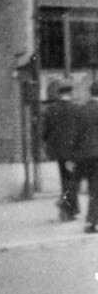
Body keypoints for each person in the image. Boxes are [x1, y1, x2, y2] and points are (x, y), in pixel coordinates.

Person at [41, 80, 80, 223]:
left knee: (65, 179)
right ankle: (68, 209)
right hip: (74, 151)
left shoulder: (51, 109)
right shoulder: (76, 109)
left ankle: (68, 208)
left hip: (58, 152)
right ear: (70, 93)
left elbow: (44, 132)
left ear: (59, 94)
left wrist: (48, 144)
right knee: (71, 180)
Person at [78, 81, 98, 233]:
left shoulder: (83, 109)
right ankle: (91, 222)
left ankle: (90, 221)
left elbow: (77, 134)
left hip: (86, 155)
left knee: (93, 189)